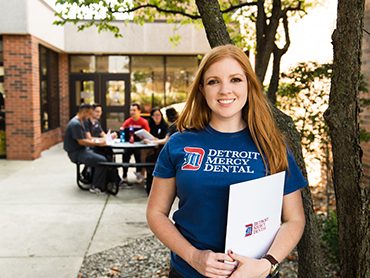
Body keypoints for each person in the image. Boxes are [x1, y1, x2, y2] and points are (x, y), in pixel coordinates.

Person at [146, 45, 307, 278]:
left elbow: (294, 219)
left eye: (235, 80)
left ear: (249, 85)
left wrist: (266, 264)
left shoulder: (271, 145)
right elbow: (156, 213)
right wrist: (194, 257)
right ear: (202, 89)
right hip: (188, 273)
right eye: (213, 81)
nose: (225, 90)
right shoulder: (178, 143)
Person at [63, 103, 109, 194]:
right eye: (89, 113)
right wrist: (99, 144)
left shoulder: (80, 121)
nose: (90, 116)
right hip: (76, 153)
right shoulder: (75, 124)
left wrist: (98, 141)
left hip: (83, 150)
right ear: (84, 112)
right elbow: (82, 141)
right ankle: (96, 186)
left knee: (104, 155)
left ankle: (102, 181)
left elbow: (87, 139)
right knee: (102, 160)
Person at [120, 103, 150, 183]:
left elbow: (147, 134)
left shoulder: (144, 122)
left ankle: (139, 174)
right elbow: (122, 130)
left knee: (139, 155)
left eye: (134, 110)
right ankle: (124, 175)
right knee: (125, 154)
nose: (132, 112)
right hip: (129, 144)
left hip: (139, 145)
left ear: (139, 111)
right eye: (131, 110)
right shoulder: (128, 121)